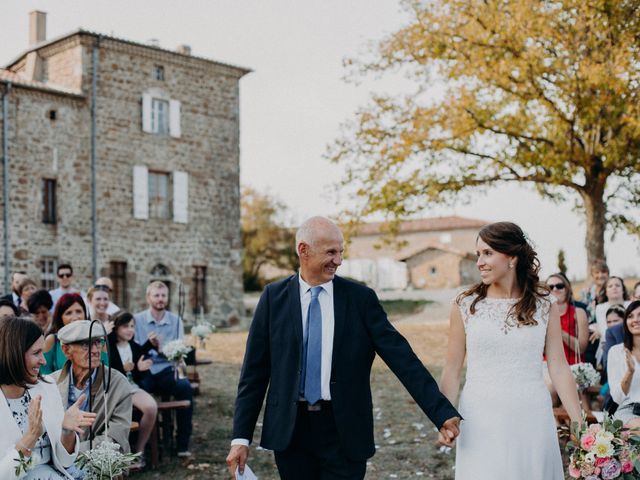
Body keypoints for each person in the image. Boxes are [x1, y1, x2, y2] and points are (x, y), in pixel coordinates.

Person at [226, 216, 461, 480]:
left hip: (344, 430)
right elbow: (253, 375)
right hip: (291, 433)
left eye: (341, 252)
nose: (338, 260)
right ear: (303, 250)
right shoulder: (272, 298)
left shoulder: (360, 299)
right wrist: (240, 438)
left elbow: (402, 359)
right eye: (331, 252)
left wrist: (441, 412)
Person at [439, 222, 581, 479]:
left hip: (532, 414)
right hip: (480, 416)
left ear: (512, 257)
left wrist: (578, 420)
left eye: (488, 253)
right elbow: (452, 367)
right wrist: (444, 416)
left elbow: (558, 367)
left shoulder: (544, 304)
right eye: (478, 254)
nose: (479, 262)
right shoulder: (465, 304)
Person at [0, 316, 96, 479]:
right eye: (36, 353)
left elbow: (64, 461)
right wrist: (31, 436)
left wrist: (67, 431)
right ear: (13, 354)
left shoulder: (46, 386)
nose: (43, 361)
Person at [52, 320, 133, 452]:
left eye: (98, 343)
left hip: (98, 464)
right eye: (86, 344)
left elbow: (115, 440)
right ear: (66, 350)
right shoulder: (51, 383)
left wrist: (72, 452)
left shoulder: (118, 384)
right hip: (56, 462)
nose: (95, 350)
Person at [134, 281, 193, 457]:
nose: (160, 299)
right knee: (135, 394)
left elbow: (179, 350)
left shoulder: (175, 321)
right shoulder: (137, 320)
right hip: (146, 371)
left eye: (163, 295)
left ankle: (182, 443)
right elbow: (134, 349)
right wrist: (148, 346)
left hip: (168, 370)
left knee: (185, 388)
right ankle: (139, 445)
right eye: (156, 295)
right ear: (148, 298)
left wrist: (161, 349)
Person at [108, 311, 158, 464]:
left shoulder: (134, 347)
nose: (130, 330)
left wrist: (140, 368)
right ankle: (116, 454)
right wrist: (126, 369)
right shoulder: (108, 347)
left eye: (132, 326)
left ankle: (139, 451)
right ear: (115, 328)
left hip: (131, 388)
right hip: (112, 390)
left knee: (151, 407)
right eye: (125, 326)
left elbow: (137, 373)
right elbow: (109, 371)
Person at [543, 272, 589, 406]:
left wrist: (559, 331)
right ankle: (556, 426)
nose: (555, 289)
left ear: (567, 289)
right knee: (549, 389)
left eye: (559, 286)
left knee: (577, 395)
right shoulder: (542, 314)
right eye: (550, 287)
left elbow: (581, 348)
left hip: (573, 364)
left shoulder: (578, 313)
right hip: (548, 365)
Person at [42, 293, 108, 375]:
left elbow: (105, 373)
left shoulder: (98, 340)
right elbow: (44, 374)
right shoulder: (52, 341)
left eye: (78, 311)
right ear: (60, 317)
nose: (75, 317)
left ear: (85, 314)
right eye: (68, 313)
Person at [606, 301, 640, 426]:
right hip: (629, 410)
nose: (635, 320)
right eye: (630, 316)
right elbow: (617, 398)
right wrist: (630, 372)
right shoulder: (616, 352)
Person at [594, 276, 631, 355]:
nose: (614, 288)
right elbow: (604, 331)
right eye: (610, 286)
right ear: (606, 291)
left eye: (617, 285)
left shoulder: (630, 305)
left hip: (631, 344)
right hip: (608, 346)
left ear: (623, 290)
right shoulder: (600, 308)